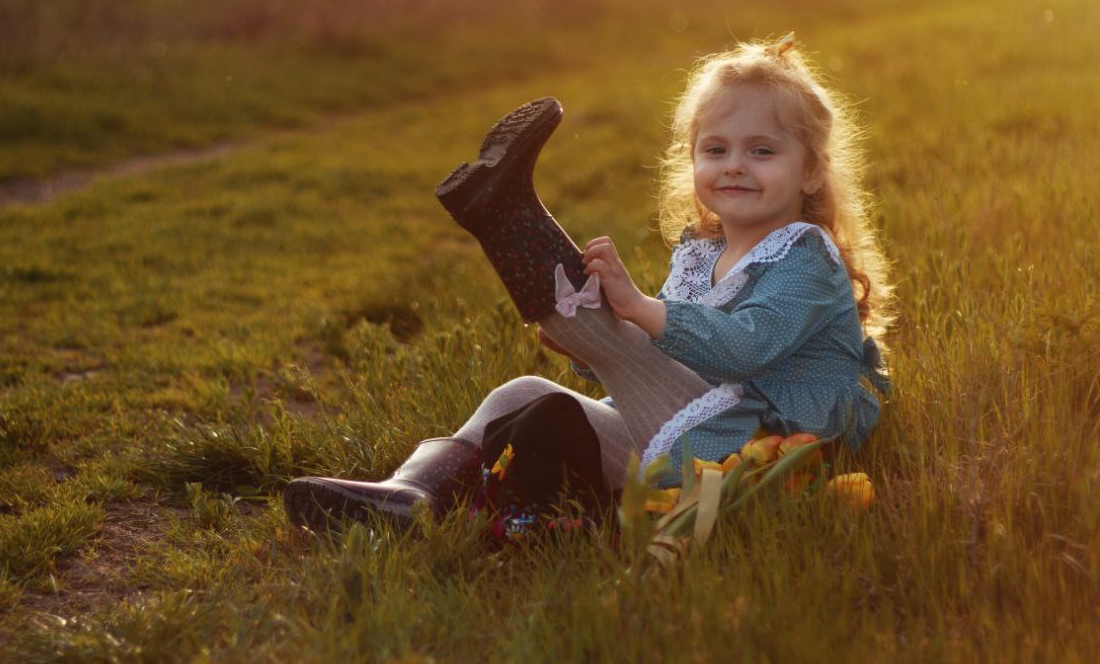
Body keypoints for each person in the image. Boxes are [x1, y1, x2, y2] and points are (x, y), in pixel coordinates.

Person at [283, 34, 893, 533]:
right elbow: (665, 360)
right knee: (519, 391)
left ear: (811, 170)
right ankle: (411, 493)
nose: (734, 164)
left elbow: (743, 348)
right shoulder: (702, 253)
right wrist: (595, 351)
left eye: (762, 151)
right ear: (694, 159)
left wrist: (634, 313)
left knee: (615, 332)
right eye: (715, 148)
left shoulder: (806, 259)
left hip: (757, 452)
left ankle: (508, 218)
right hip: (688, 433)